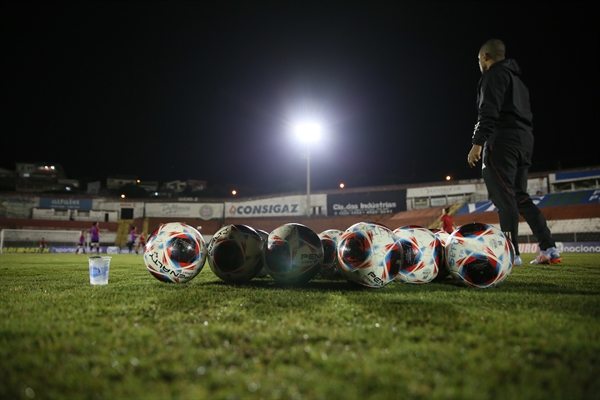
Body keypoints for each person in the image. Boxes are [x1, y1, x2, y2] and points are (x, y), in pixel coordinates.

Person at [467, 38, 561, 266]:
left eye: (479, 60)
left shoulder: (492, 75)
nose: (479, 64)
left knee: (504, 196)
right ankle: (549, 249)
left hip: (502, 141)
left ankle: (511, 253)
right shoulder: (518, 82)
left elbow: (488, 111)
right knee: (520, 197)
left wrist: (477, 143)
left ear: (485, 57)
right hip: (524, 141)